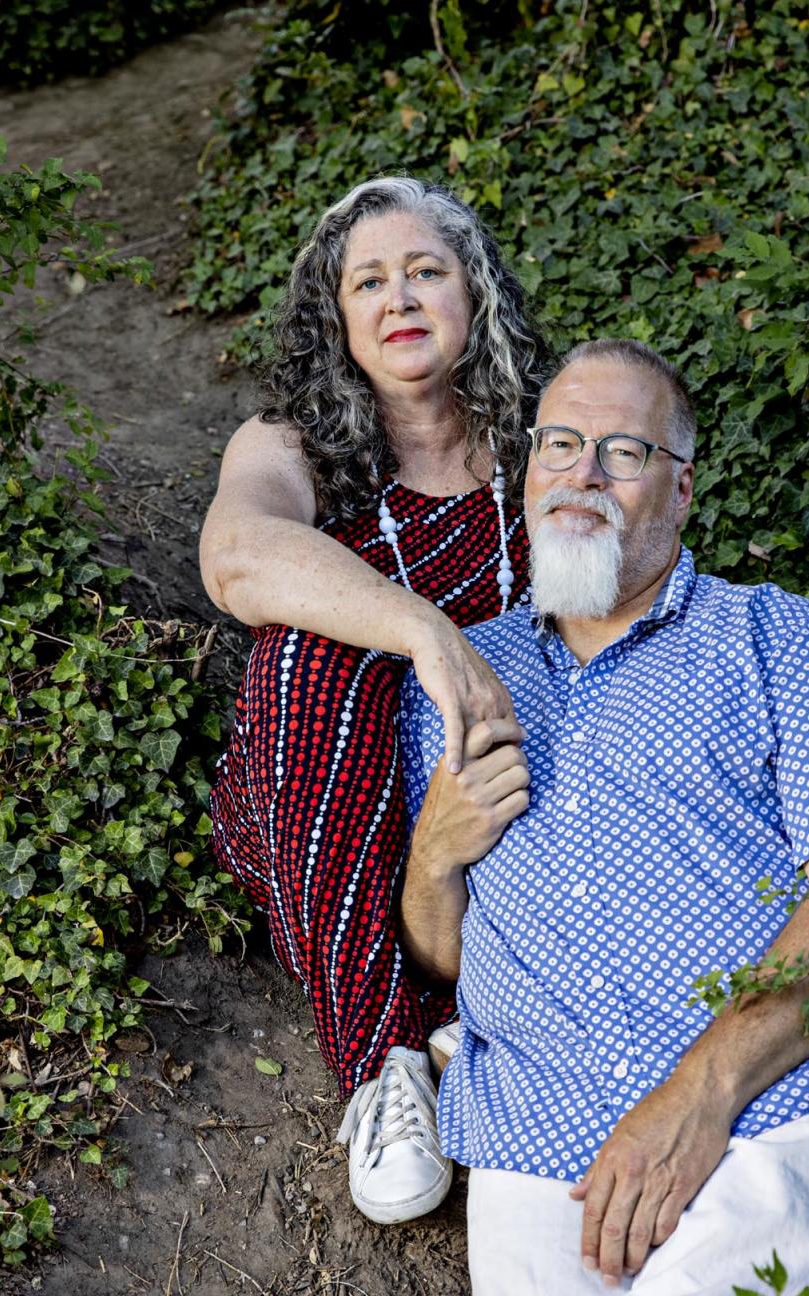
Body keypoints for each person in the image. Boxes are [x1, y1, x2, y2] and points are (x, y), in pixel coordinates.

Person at [399, 338, 809, 1296]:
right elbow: (446, 952)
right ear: (526, 472)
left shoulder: (779, 638)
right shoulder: (463, 676)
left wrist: (696, 1097)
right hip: (538, 1130)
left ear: (683, 486)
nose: (583, 471)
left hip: (786, 1101)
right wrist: (433, 851)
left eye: (623, 449)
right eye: (559, 443)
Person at [199, 176, 550, 1224]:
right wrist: (422, 630)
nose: (399, 298)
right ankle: (385, 1059)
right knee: (311, 650)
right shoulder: (289, 443)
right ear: (338, 319)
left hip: (501, 782)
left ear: (474, 293)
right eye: (370, 281)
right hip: (331, 791)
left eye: (426, 271)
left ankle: (479, 1015)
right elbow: (237, 556)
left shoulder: (541, 440)